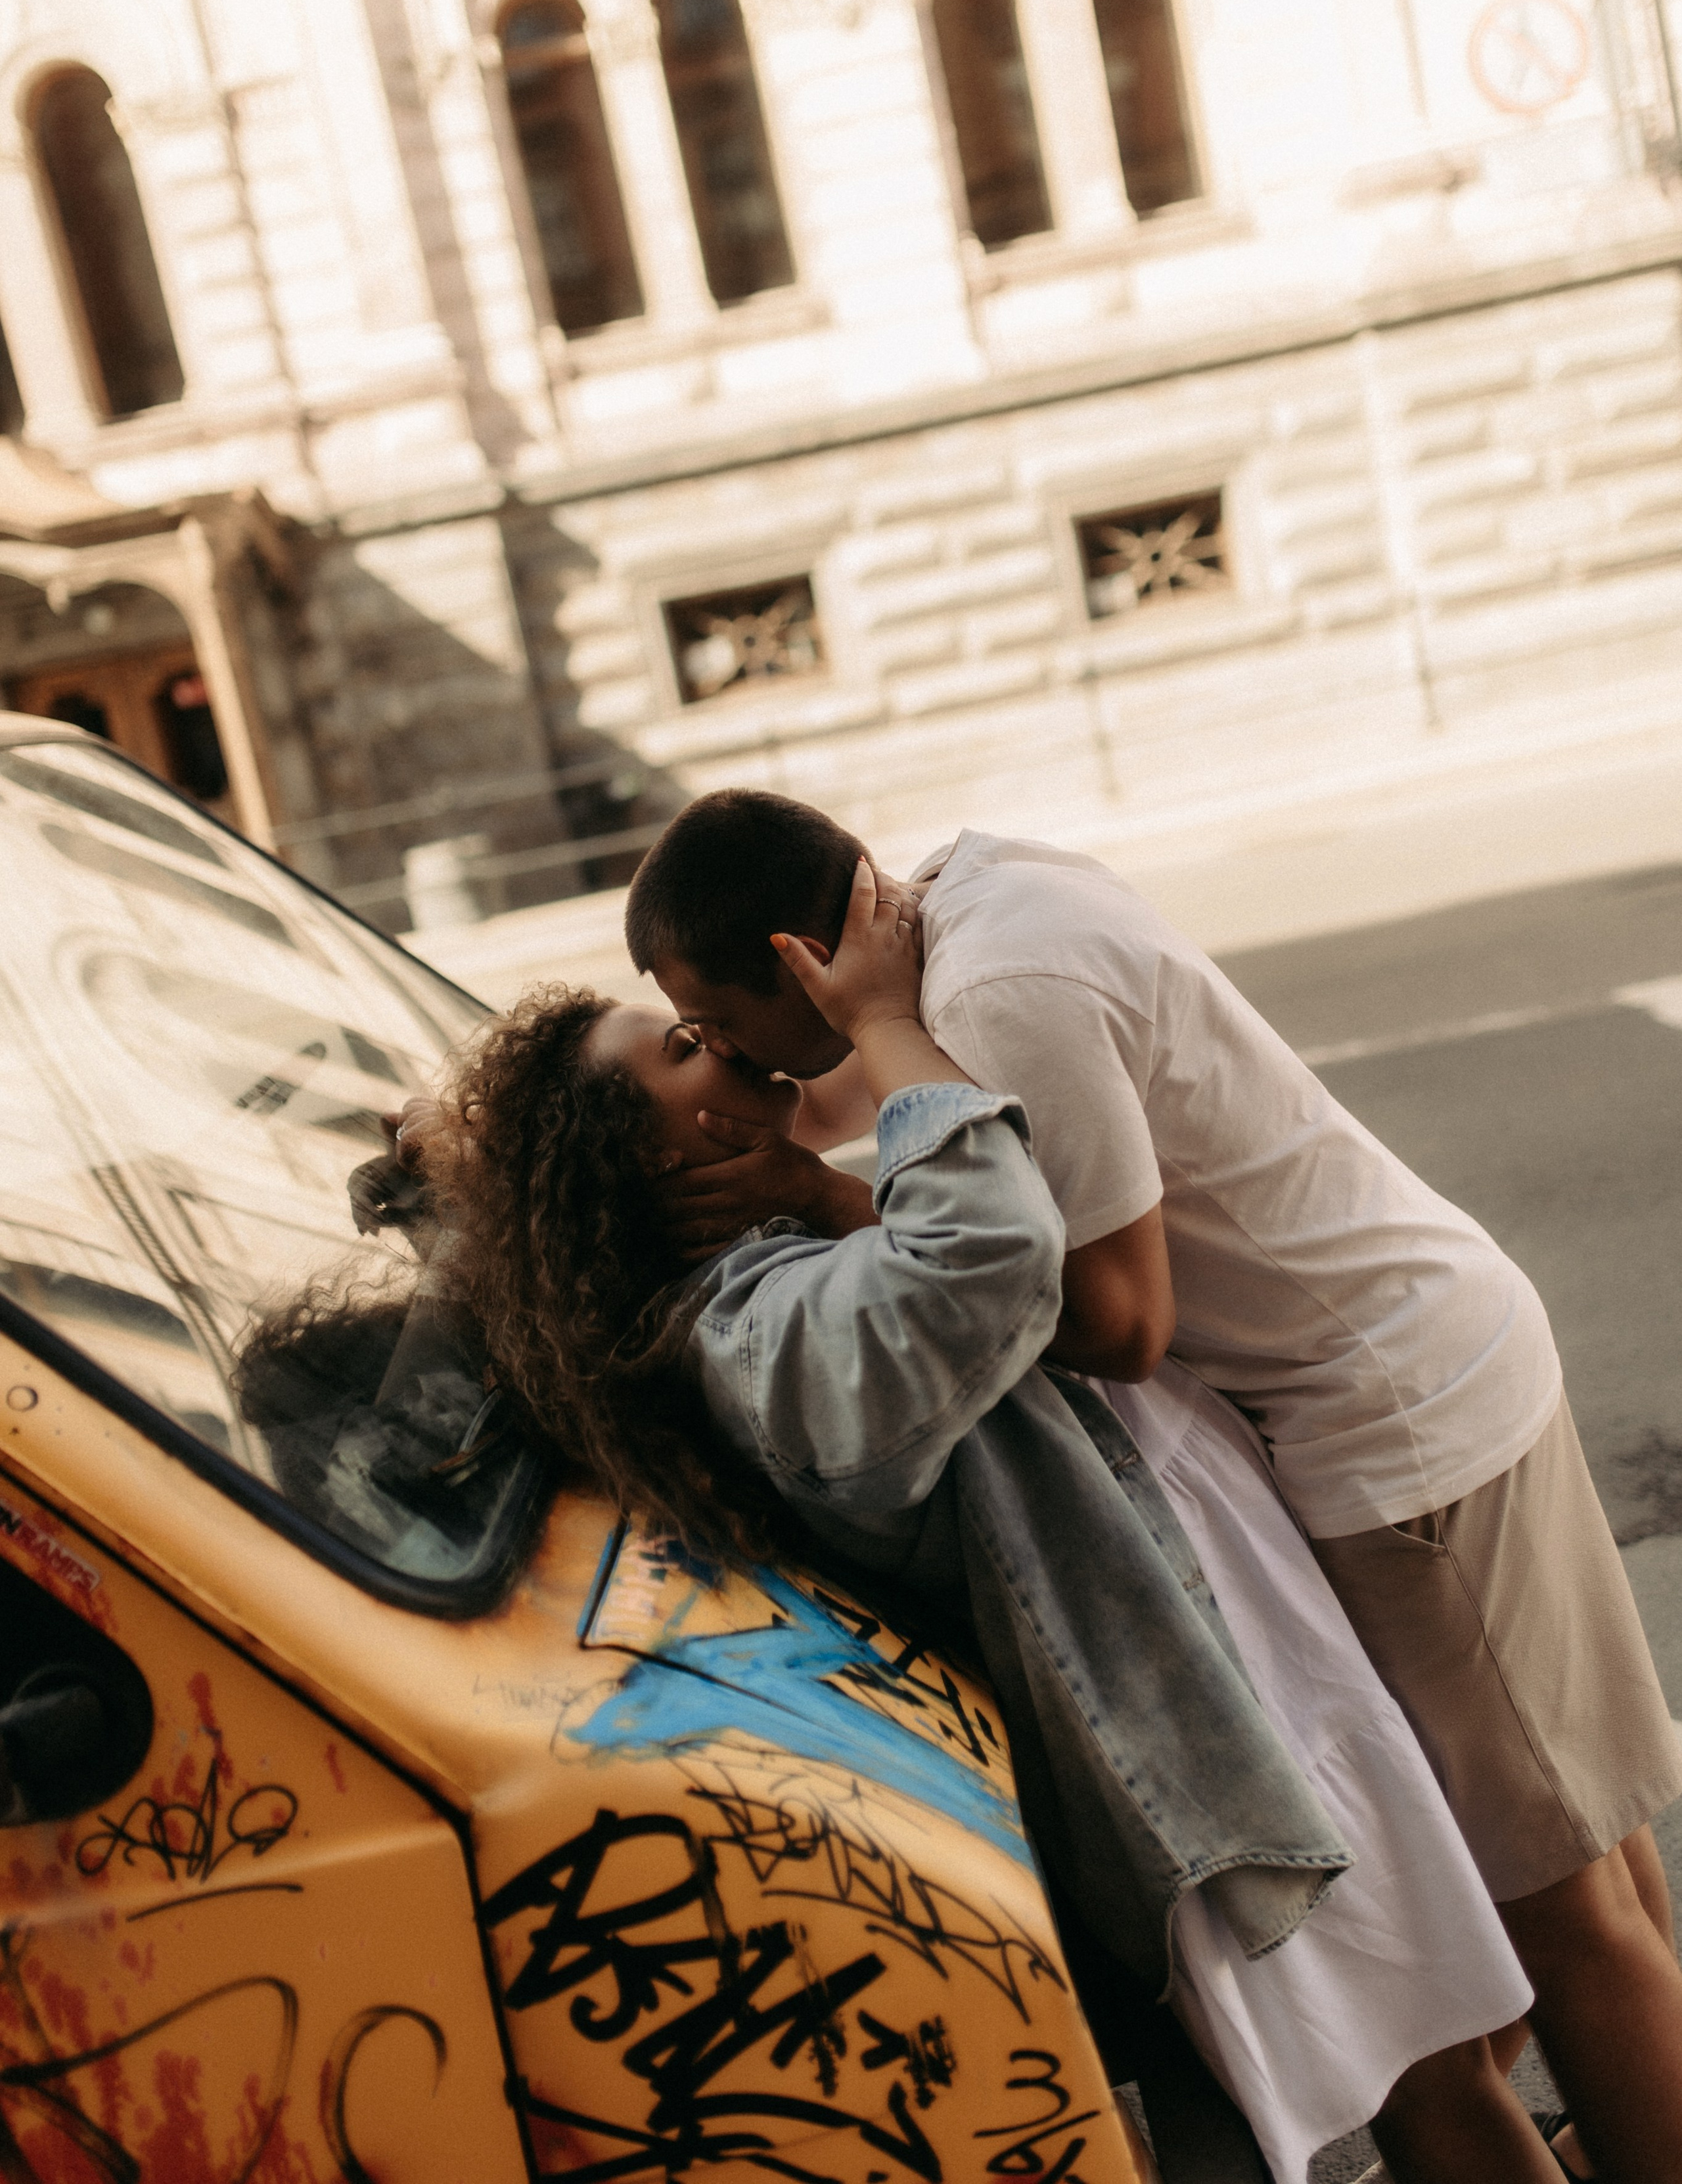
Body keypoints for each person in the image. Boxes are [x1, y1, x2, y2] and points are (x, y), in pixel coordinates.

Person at [624, 790, 1682, 2184]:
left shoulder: (999, 995)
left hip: (1387, 1434)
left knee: (1560, 1910)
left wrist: (835, 1210)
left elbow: (1116, 1316)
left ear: (797, 961)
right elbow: (839, 1087)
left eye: (713, 1020)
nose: (733, 1059)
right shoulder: (968, 891)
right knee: (1587, 1844)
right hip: (1435, 1342)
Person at [424, 862, 1533, 2184]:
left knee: (1458, 2040)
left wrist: (809, 1182)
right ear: (650, 1154)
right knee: (1428, 2080)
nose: (714, 1040)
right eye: (677, 1048)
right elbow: (984, 1254)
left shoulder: (762, 1266)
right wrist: (889, 1027)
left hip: (1228, 1651)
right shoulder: (750, 1336)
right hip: (1193, 1706)